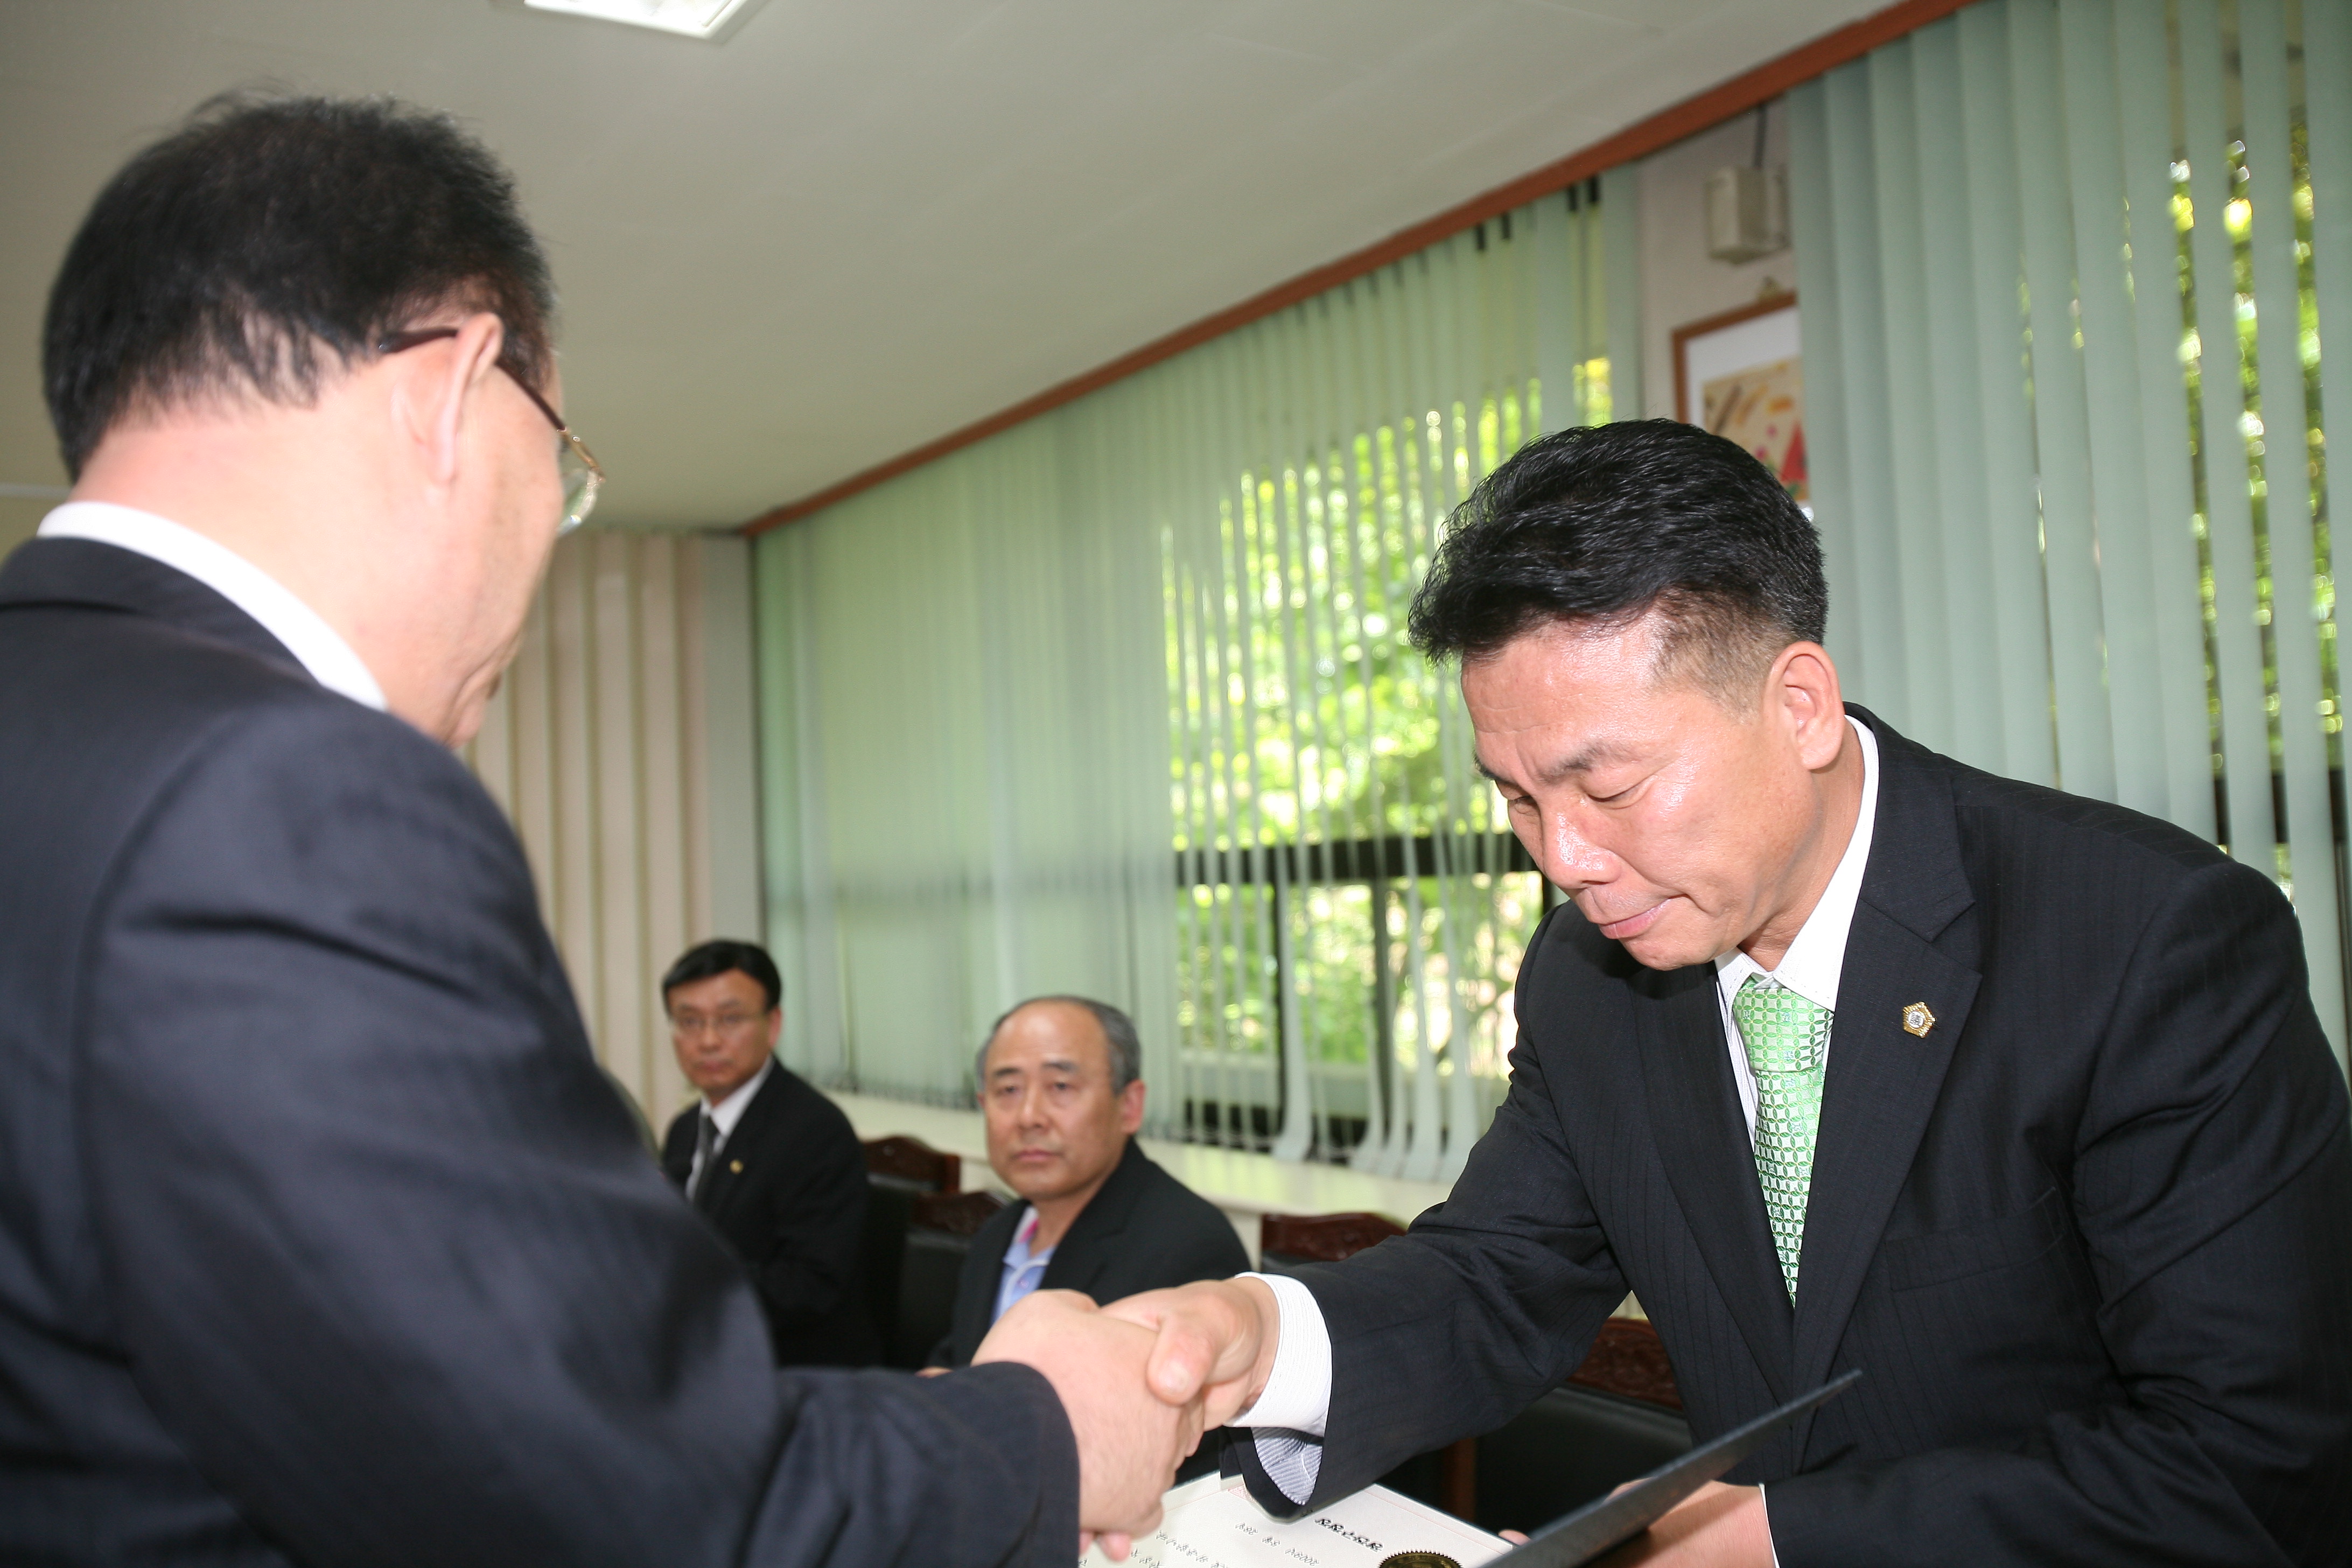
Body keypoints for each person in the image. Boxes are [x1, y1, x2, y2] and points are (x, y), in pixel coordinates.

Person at [0, 93, 1194, 1565]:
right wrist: (1048, 1430)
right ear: (455, 387)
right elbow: (633, 1506)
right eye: (560, 463)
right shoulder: (287, 795)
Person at [1111, 419, 2352, 1566]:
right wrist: (1246, 1337)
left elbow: (2252, 1462)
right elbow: (1496, 1278)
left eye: (1609, 786)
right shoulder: (1590, 976)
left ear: (1797, 704)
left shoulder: (2143, 943)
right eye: (1517, 796)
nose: (1564, 858)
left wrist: (1794, 1539)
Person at [928, 999, 1248, 1445]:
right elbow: (962, 1359)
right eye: (1007, 1091)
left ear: (1129, 1106)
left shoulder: (1187, 1246)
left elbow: (1167, 1445)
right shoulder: (998, 1233)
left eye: (1060, 1086)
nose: (1028, 1117)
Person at [660, 940, 877, 1366]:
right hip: (706, 1356)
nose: (708, 1041)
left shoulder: (816, 1131)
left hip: (793, 1371)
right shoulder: (684, 1131)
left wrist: (685, 1294)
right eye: (689, 1022)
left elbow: (807, 1286)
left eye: (730, 1019)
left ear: (773, 1025)